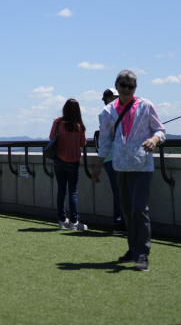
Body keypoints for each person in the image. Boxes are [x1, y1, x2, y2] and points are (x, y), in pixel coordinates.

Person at [92, 70, 165, 272]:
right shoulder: (108, 112)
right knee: (126, 210)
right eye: (123, 85)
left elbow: (160, 130)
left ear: (135, 88)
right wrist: (98, 165)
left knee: (139, 209)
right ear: (116, 85)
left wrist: (154, 139)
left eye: (130, 85)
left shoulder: (145, 105)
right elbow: (105, 140)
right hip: (120, 165)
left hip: (142, 165)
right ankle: (133, 249)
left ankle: (142, 253)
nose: (126, 89)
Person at [49, 99, 88, 231]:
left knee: (61, 190)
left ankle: (61, 220)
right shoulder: (79, 126)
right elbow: (83, 143)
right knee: (73, 193)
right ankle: (74, 221)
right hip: (74, 162)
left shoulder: (57, 122)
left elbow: (51, 137)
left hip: (59, 160)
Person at [98, 87, 124, 230]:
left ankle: (120, 221)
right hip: (114, 157)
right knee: (120, 191)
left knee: (119, 191)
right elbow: (105, 138)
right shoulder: (108, 112)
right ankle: (119, 222)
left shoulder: (106, 113)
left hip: (112, 157)